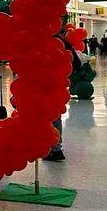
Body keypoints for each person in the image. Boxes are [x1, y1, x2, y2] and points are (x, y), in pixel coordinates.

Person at [44, 30, 82, 162]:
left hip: (47, 83)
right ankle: (55, 147)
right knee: (55, 115)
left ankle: (55, 148)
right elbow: (77, 63)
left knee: (50, 116)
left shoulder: (46, 41)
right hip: (58, 84)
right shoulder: (62, 40)